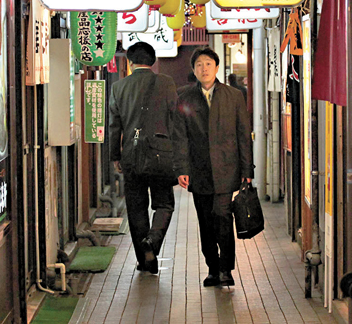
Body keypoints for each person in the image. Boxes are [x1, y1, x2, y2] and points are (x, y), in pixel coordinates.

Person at [108, 42, 188, 274]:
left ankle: (145, 261)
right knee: (164, 203)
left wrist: (115, 155)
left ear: (130, 63)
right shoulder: (166, 83)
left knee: (136, 208)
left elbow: (115, 126)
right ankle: (152, 241)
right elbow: (175, 120)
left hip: (131, 156)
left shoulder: (120, 87)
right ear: (152, 62)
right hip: (162, 155)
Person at [178, 47, 253, 287]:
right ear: (194, 70)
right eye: (199, 65)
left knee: (222, 216)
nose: (204, 68)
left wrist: (247, 171)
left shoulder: (233, 96)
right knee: (205, 221)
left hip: (226, 168)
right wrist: (181, 168)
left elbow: (243, 135)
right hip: (199, 171)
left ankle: (226, 269)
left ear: (217, 67)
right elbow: (179, 137)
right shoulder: (185, 98)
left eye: (208, 64)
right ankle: (212, 267)